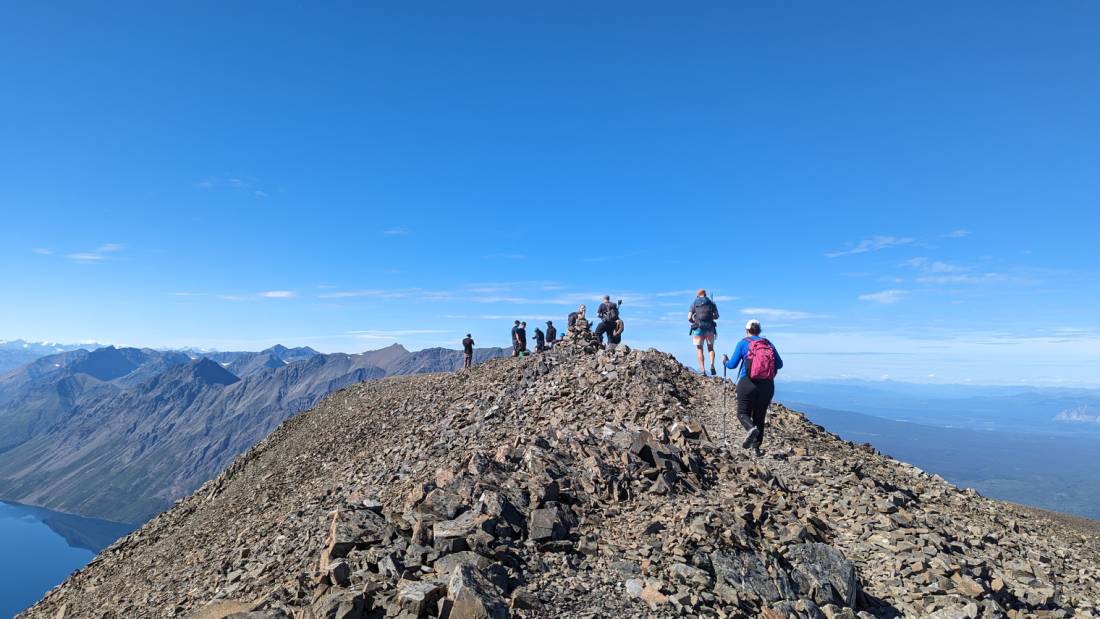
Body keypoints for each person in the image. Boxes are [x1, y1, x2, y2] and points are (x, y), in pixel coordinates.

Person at [723, 319, 783, 456]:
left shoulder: (743, 343)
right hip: (767, 386)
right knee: (759, 417)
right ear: (760, 330)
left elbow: (732, 365)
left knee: (742, 413)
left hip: (747, 383)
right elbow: (779, 364)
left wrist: (725, 361)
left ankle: (751, 429)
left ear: (747, 330)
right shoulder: (768, 344)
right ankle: (756, 449)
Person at [689, 289, 720, 375]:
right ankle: (712, 365)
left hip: (698, 328)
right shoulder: (711, 302)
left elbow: (689, 317)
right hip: (710, 328)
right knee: (710, 348)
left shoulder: (694, 303)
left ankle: (702, 370)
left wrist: (693, 322)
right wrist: (711, 317)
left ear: (698, 295)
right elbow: (717, 316)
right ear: (705, 294)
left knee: (699, 349)